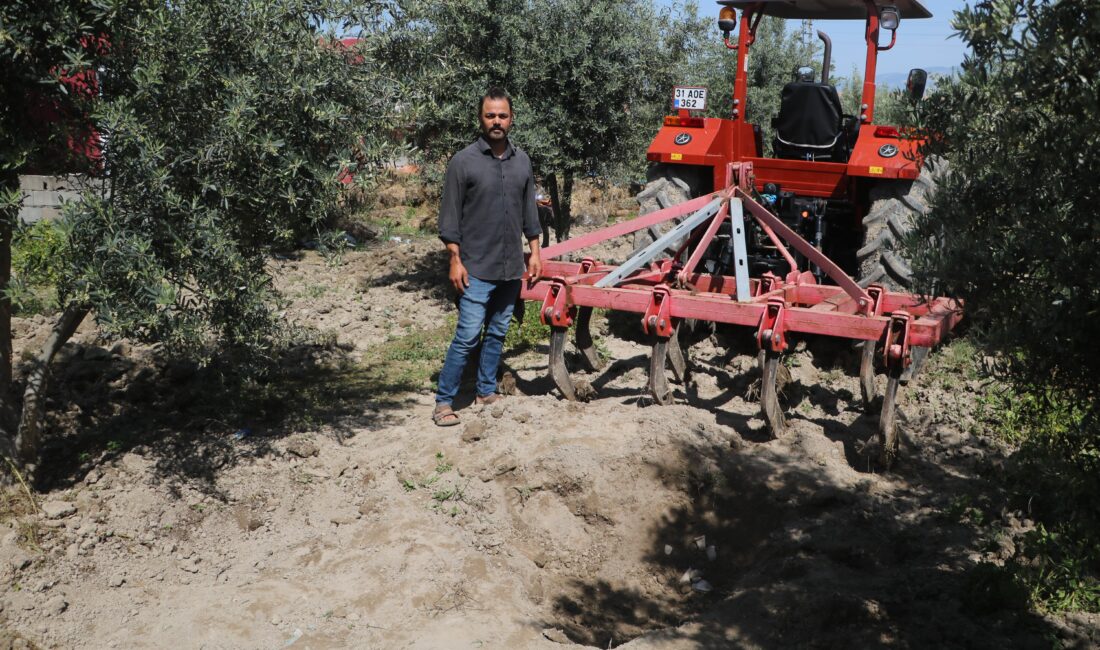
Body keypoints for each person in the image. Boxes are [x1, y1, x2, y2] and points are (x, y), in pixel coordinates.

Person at [432, 87, 542, 427]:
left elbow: (529, 212)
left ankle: (484, 391)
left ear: (511, 119)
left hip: (510, 268)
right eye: (490, 115)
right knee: (466, 335)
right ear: (481, 118)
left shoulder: (521, 160)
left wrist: (535, 253)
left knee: (496, 333)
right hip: (475, 267)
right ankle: (444, 402)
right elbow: (449, 219)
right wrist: (455, 258)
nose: (497, 121)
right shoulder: (463, 162)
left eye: (502, 116)